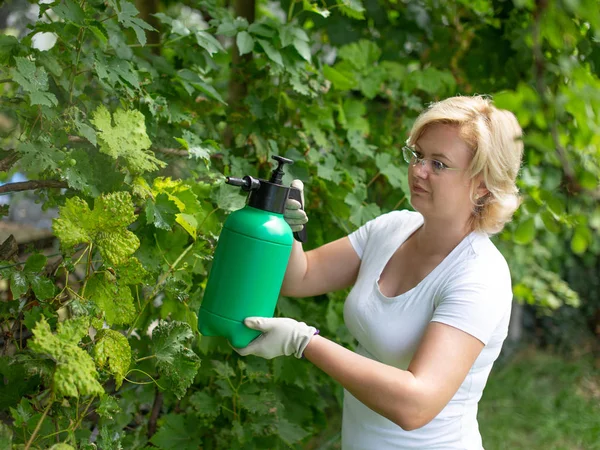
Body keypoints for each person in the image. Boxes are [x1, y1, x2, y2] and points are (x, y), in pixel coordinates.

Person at [235, 95, 524, 450]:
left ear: (481, 185)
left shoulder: (479, 276)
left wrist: (304, 342)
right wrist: (286, 229)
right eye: (418, 155)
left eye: (439, 164)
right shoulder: (393, 229)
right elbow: (301, 277)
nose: (418, 170)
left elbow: (416, 404)